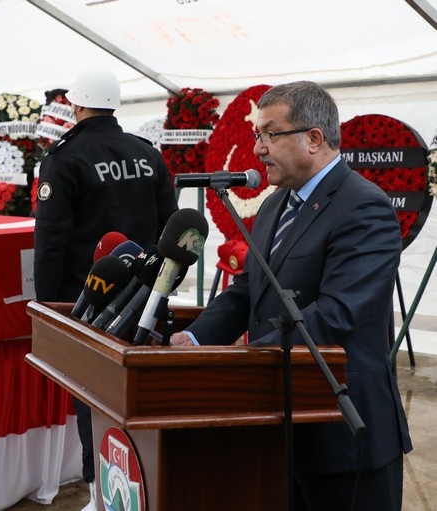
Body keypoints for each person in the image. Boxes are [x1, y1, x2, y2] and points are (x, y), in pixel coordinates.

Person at [170, 81, 412, 511]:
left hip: (342, 438)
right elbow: (248, 289)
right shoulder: (274, 205)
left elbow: (335, 315)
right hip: (280, 430)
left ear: (314, 139)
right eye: (256, 135)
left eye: (268, 134)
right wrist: (194, 341)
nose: (258, 149)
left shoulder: (365, 207)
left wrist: (240, 364)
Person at [33, 67, 178, 511]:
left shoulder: (65, 156)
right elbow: (170, 228)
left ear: (75, 105)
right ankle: (146, 486)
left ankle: (103, 492)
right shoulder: (146, 154)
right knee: (141, 396)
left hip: (89, 300)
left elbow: (51, 239)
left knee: (92, 397)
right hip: (146, 298)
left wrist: (46, 306)